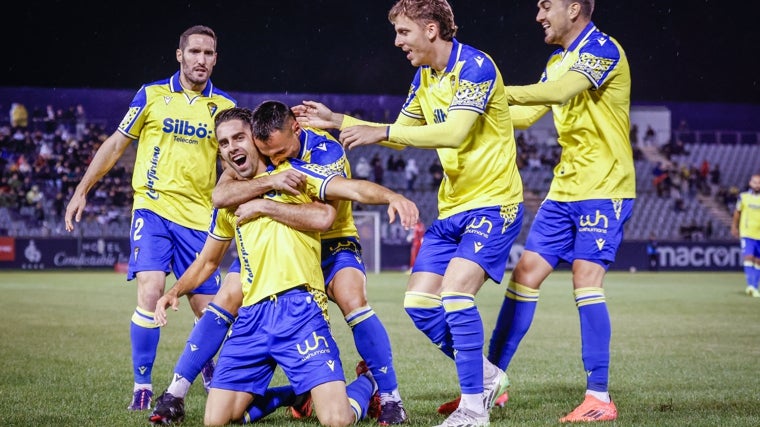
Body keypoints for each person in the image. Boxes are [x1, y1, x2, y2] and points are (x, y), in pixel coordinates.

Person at [295, 1, 524, 425]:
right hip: (453, 206)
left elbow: (454, 132)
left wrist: (379, 130)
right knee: (420, 304)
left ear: (431, 29)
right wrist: (335, 120)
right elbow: (403, 133)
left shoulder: (475, 66)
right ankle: (487, 377)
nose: (398, 42)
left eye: (403, 32)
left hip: (494, 203)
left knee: (455, 295)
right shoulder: (424, 77)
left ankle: (474, 410)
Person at [150, 103, 418, 425]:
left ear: (294, 130)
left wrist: (393, 196)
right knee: (227, 297)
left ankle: (387, 393)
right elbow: (218, 207)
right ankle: (176, 392)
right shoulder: (248, 174)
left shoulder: (315, 159)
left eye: (240, 139)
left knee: (351, 298)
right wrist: (174, 291)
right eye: (225, 143)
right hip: (266, 284)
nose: (277, 161)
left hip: (329, 240)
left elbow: (329, 211)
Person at [63, 25, 236, 411]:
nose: (201, 60)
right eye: (194, 52)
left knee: (209, 310)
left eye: (209, 54)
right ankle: (142, 386)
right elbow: (116, 144)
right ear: (180, 55)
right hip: (153, 209)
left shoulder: (225, 107)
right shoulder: (152, 95)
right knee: (150, 289)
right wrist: (82, 189)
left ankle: (205, 363)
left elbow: (235, 163)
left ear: (215, 59)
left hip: (199, 218)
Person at [484, 0, 635, 422]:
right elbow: (529, 113)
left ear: (574, 8)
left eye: (545, 6)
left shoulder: (602, 49)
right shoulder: (557, 60)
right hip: (564, 188)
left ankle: (599, 397)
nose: (538, 16)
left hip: (605, 187)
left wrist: (493, 90)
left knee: (585, 279)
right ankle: (491, 382)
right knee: (525, 273)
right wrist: (471, 110)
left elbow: (559, 92)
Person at [730, 173, 760, 297]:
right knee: (748, 257)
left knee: (758, 261)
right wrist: (734, 227)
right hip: (747, 233)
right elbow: (737, 213)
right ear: (750, 183)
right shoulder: (744, 197)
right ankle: (750, 286)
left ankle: (754, 286)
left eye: (759, 183)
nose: (757, 185)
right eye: (755, 182)